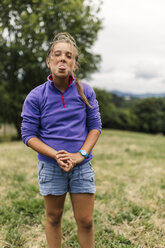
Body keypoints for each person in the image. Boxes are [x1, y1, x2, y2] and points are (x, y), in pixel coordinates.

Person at [21, 32, 102, 248]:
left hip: (81, 166)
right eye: (57, 55)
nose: (63, 59)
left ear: (75, 64)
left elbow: (95, 127)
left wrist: (80, 155)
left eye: (69, 56)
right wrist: (55, 154)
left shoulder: (86, 92)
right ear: (49, 62)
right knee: (54, 218)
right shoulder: (36, 96)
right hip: (50, 167)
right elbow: (28, 135)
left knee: (85, 221)